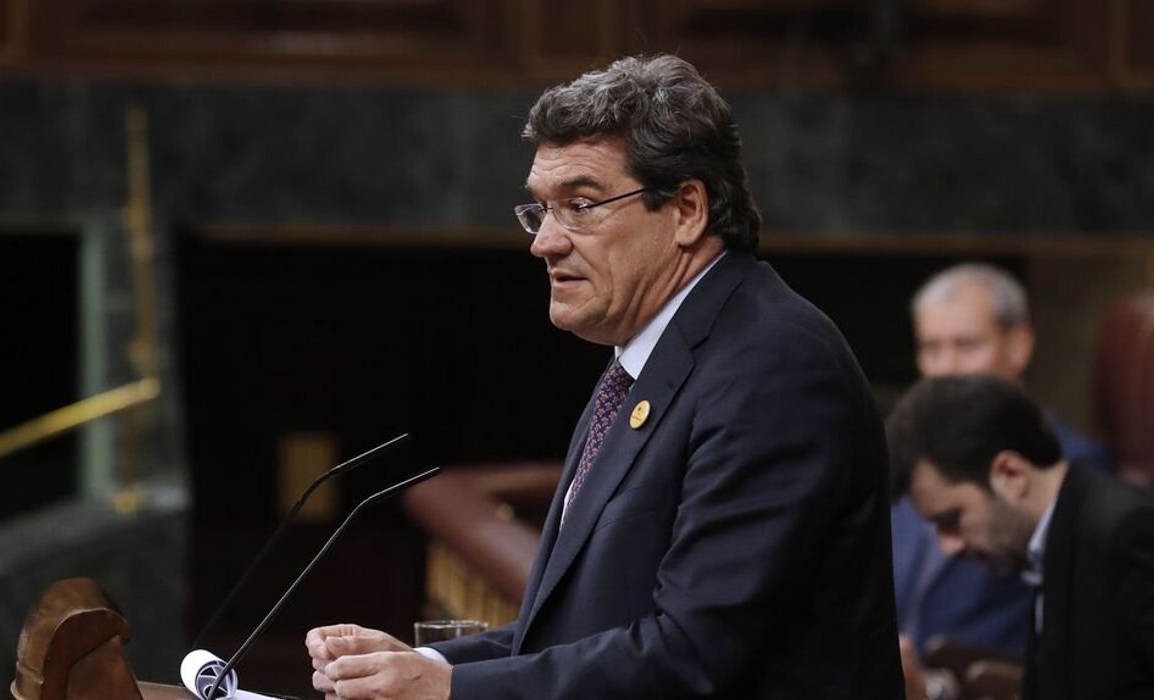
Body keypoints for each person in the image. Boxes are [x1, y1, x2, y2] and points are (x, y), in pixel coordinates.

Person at [304, 54, 904, 699]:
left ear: (686, 209)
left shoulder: (774, 366)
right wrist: (422, 665)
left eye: (581, 205)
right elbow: (582, 631)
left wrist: (450, 690)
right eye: (541, 210)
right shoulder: (646, 357)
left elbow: (695, 656)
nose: (544, 242)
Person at [893, 264, 1111, 680]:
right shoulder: (911, 460)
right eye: (931, 348)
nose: (946, 368)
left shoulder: (1068, 467)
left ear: (1018, 346)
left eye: (967, 345)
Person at [886, 374, 1154, 700]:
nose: (948, 546)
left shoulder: (1127, 532)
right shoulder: (1053, 541)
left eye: (952, 519)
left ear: (1010, 473)